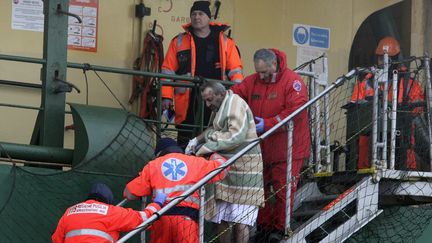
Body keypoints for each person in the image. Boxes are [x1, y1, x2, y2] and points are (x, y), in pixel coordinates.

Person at [231, 48, 311, 241]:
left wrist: (266, 124)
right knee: (262, 190)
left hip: (288, 149)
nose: (261, 76)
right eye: (258, 72)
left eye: (265, 72)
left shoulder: (293, 82)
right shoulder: (253, 81)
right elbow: (235, 94)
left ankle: (280, 229)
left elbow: (296, 112)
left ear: (274, 65)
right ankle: (264, 227)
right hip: (263, 149)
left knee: (284, 190)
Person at [186, 81, 264, 243]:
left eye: (210, 99)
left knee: (241, 219)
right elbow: (213, 130)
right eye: (205, 100)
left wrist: (205, 147)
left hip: (245, 169)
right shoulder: (220, 106)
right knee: (220, 217)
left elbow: (236, 136)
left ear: (221, 94)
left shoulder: (236, 104)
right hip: (225, 169)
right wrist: (196, 139)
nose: (208, 104)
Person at [161, 0, 243, 148]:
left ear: (208, 17)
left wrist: (237, 97)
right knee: (185, 139)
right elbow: (167, 70)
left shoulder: (226, 42)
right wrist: (166, 95)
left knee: (215, 133)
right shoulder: (178, 41)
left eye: (201, 14)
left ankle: (209, 167)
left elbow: (235, 71)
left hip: (217, 99)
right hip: (187, 101)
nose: (196, 17)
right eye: (193, 14)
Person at [123, 137, 228, 243]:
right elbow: (222, 168)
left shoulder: (153, 165)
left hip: (160, 219)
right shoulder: (195, 162)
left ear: (159, 154)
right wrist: (212, 154)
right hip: (187, 221)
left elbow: (129, 193)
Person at [351, 36, 425, 170]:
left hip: (401, 135)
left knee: (405, 143)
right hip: (371, 133)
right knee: (364, 143)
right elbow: (356, 106)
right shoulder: (367, 81)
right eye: (380, 58)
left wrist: (402, 113)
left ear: (395, 59)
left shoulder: (408, 81)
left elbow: (418, 106)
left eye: (386, 58)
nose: (382, 62)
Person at [52, 183, 166, 243]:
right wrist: (157, 203)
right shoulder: (110, 211)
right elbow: (144, 218)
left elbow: (57, 240)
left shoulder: (70, 212)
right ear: (108, 201)